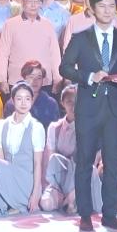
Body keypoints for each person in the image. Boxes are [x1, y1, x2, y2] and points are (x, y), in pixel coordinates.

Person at [58, 0, 117, 230]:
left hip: (115, 108)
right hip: (88, 108)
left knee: (113, 162)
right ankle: (84, 214)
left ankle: (110, 214)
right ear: (92, 8)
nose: (107, 10)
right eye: (102, 6)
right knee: (84, 161)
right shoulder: (80, 38)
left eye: (111, 6)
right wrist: (88, 76)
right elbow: (65, 68)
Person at [40, 83, 102, 213]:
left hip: (83, 177)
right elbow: (51, 161)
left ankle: (73, 199)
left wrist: (74, 191)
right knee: (46, 204)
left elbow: (92, 163)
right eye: (69, 102)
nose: (74, 106)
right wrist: (51, 185)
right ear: (62, 103)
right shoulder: (54, 128)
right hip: (60, 178)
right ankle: (67, 200)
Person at [0, 81, 46, 213]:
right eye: (19, 99)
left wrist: (36, 192)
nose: (23, 103)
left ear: (32, 101)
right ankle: (8, 200)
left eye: (27, 99)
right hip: (9, 177)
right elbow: (1, 158)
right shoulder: (2, 125)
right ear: (12, 101)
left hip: (27, 180)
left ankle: (19, 202)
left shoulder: (36, 127)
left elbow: (38, 163)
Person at [0, 0, 62, 88]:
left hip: (44, 81)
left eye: (36, 1)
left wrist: (57, 78)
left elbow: (55, 54)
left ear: (40, 4)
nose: (33, 5)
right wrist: (2, 79)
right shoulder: (10, 24)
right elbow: (3, 54)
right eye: (29, 1)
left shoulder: (48, 25)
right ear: (23, 3)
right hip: (17, 81)